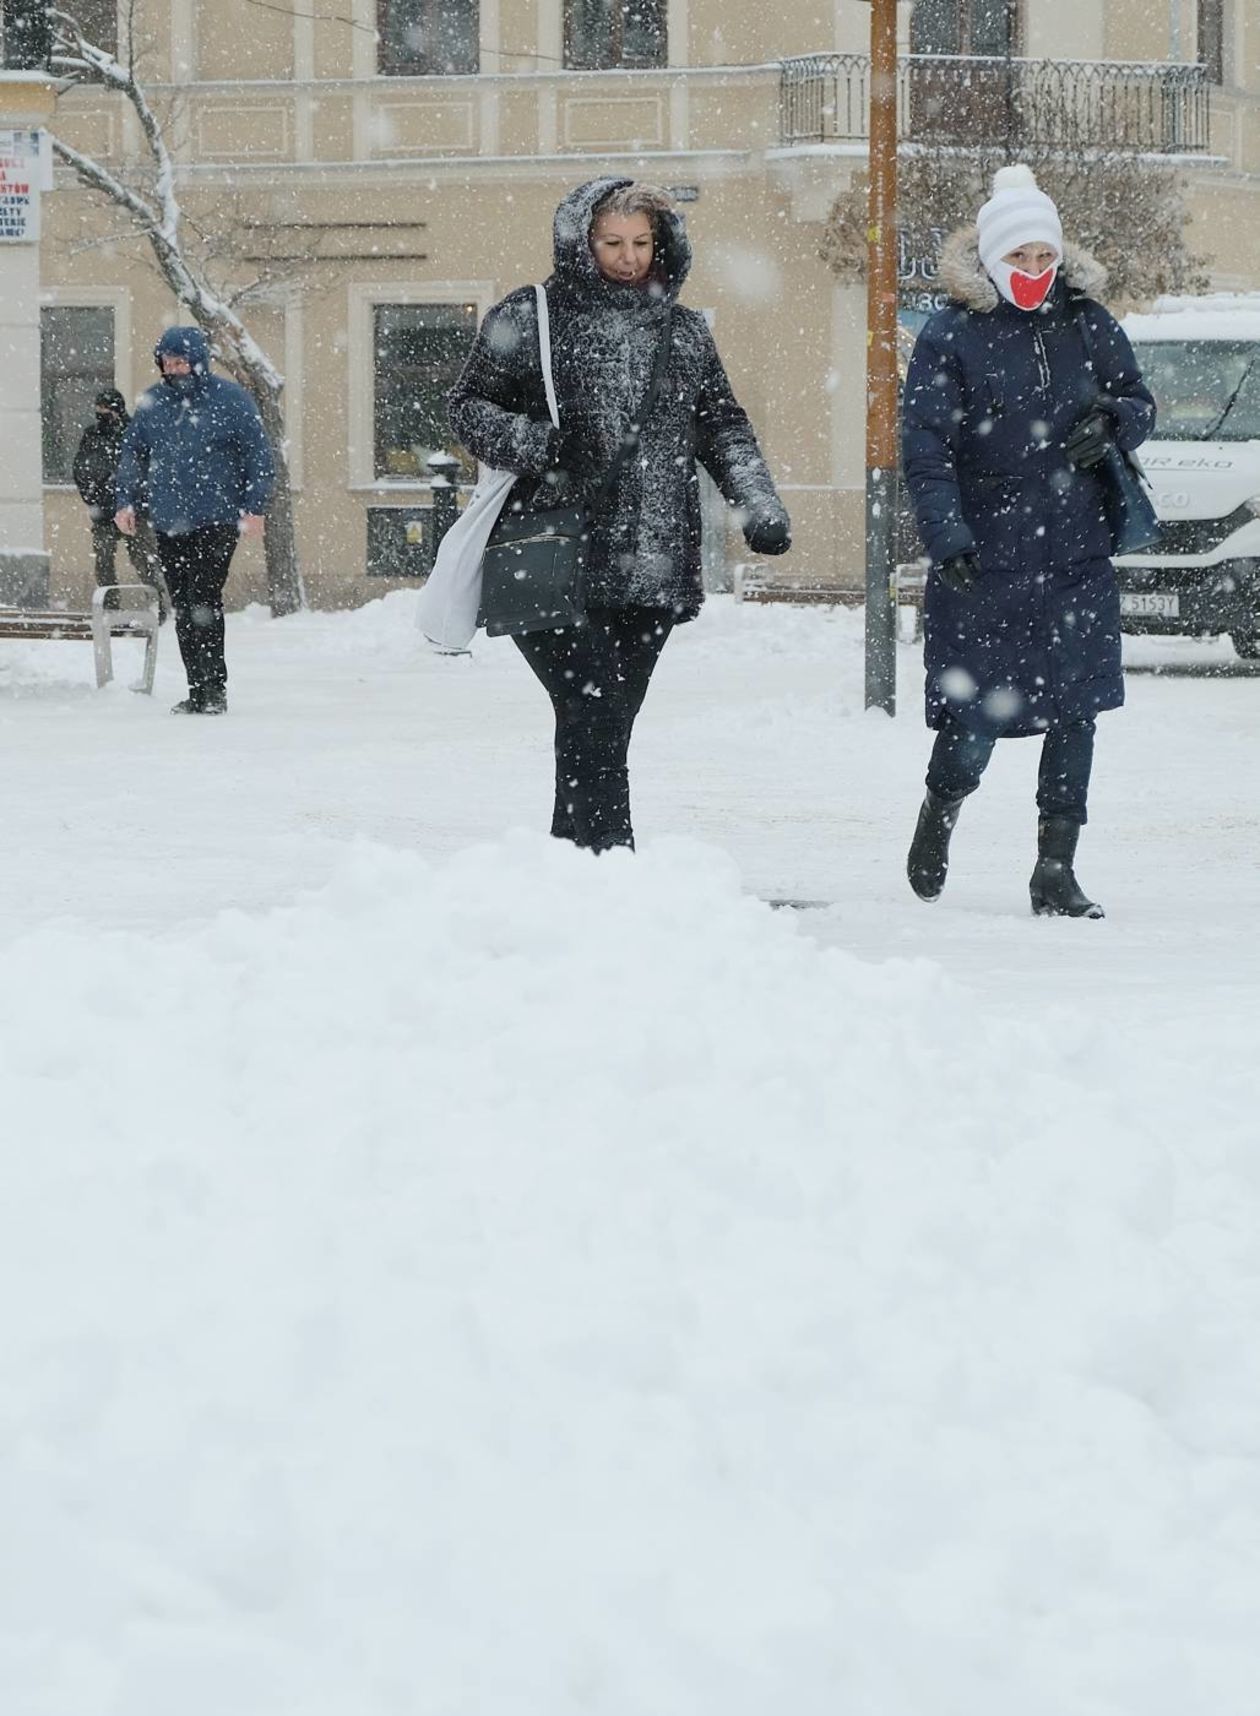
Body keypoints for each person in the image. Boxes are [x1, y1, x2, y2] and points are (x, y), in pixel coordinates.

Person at [447, 177, 790, 852]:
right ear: (581, 240)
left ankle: (570, 861)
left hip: (652, 561)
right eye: (612, 243)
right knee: (595, 710)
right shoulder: (533, 314)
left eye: (641, 242)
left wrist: (758, 502)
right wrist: (543, 444)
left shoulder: (685, 330)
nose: (630, 257)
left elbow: (720, 424)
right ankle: (614, 863)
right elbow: (469, 407)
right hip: (553, 553)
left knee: (600, 719)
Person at [901, 165, 1155, 918]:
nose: (1036, 273)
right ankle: (938, 815)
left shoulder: (1086, 320)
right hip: (987, 559)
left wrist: (1112, 419)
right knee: (973, 719)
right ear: (991, 259)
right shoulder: (951, 334)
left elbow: (1138, 399)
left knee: (1076, 715)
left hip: (1075, 553)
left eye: (1045, 258)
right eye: (1021, 259)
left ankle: (1055, 869)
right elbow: (926, 446)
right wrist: (949, 536)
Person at [114, 327, 274, 715]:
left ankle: (214, 687)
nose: (174, 369)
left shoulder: (231, 401)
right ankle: (196, 689)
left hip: (217, 519)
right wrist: (126, 501)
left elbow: (258, 454)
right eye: (167, 363)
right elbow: (133, 453)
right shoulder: (153, 403)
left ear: (198, 361)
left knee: (204, 599)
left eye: (181, 361)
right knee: (183, 606)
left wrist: (255, 506)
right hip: (169, 520)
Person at [71, 389, 168, 615]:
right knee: (104, 560)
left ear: (116, 410)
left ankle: (158, 605)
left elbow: (149, 470)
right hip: (104, 512)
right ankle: (110, 607)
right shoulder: (92, 435)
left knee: (144, 560)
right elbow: (81, 469)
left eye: (104, 409)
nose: (100, 414)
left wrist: (139, 500)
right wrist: (93, 497)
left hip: (136, 511)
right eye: (99, 409)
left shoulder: (135, 432)